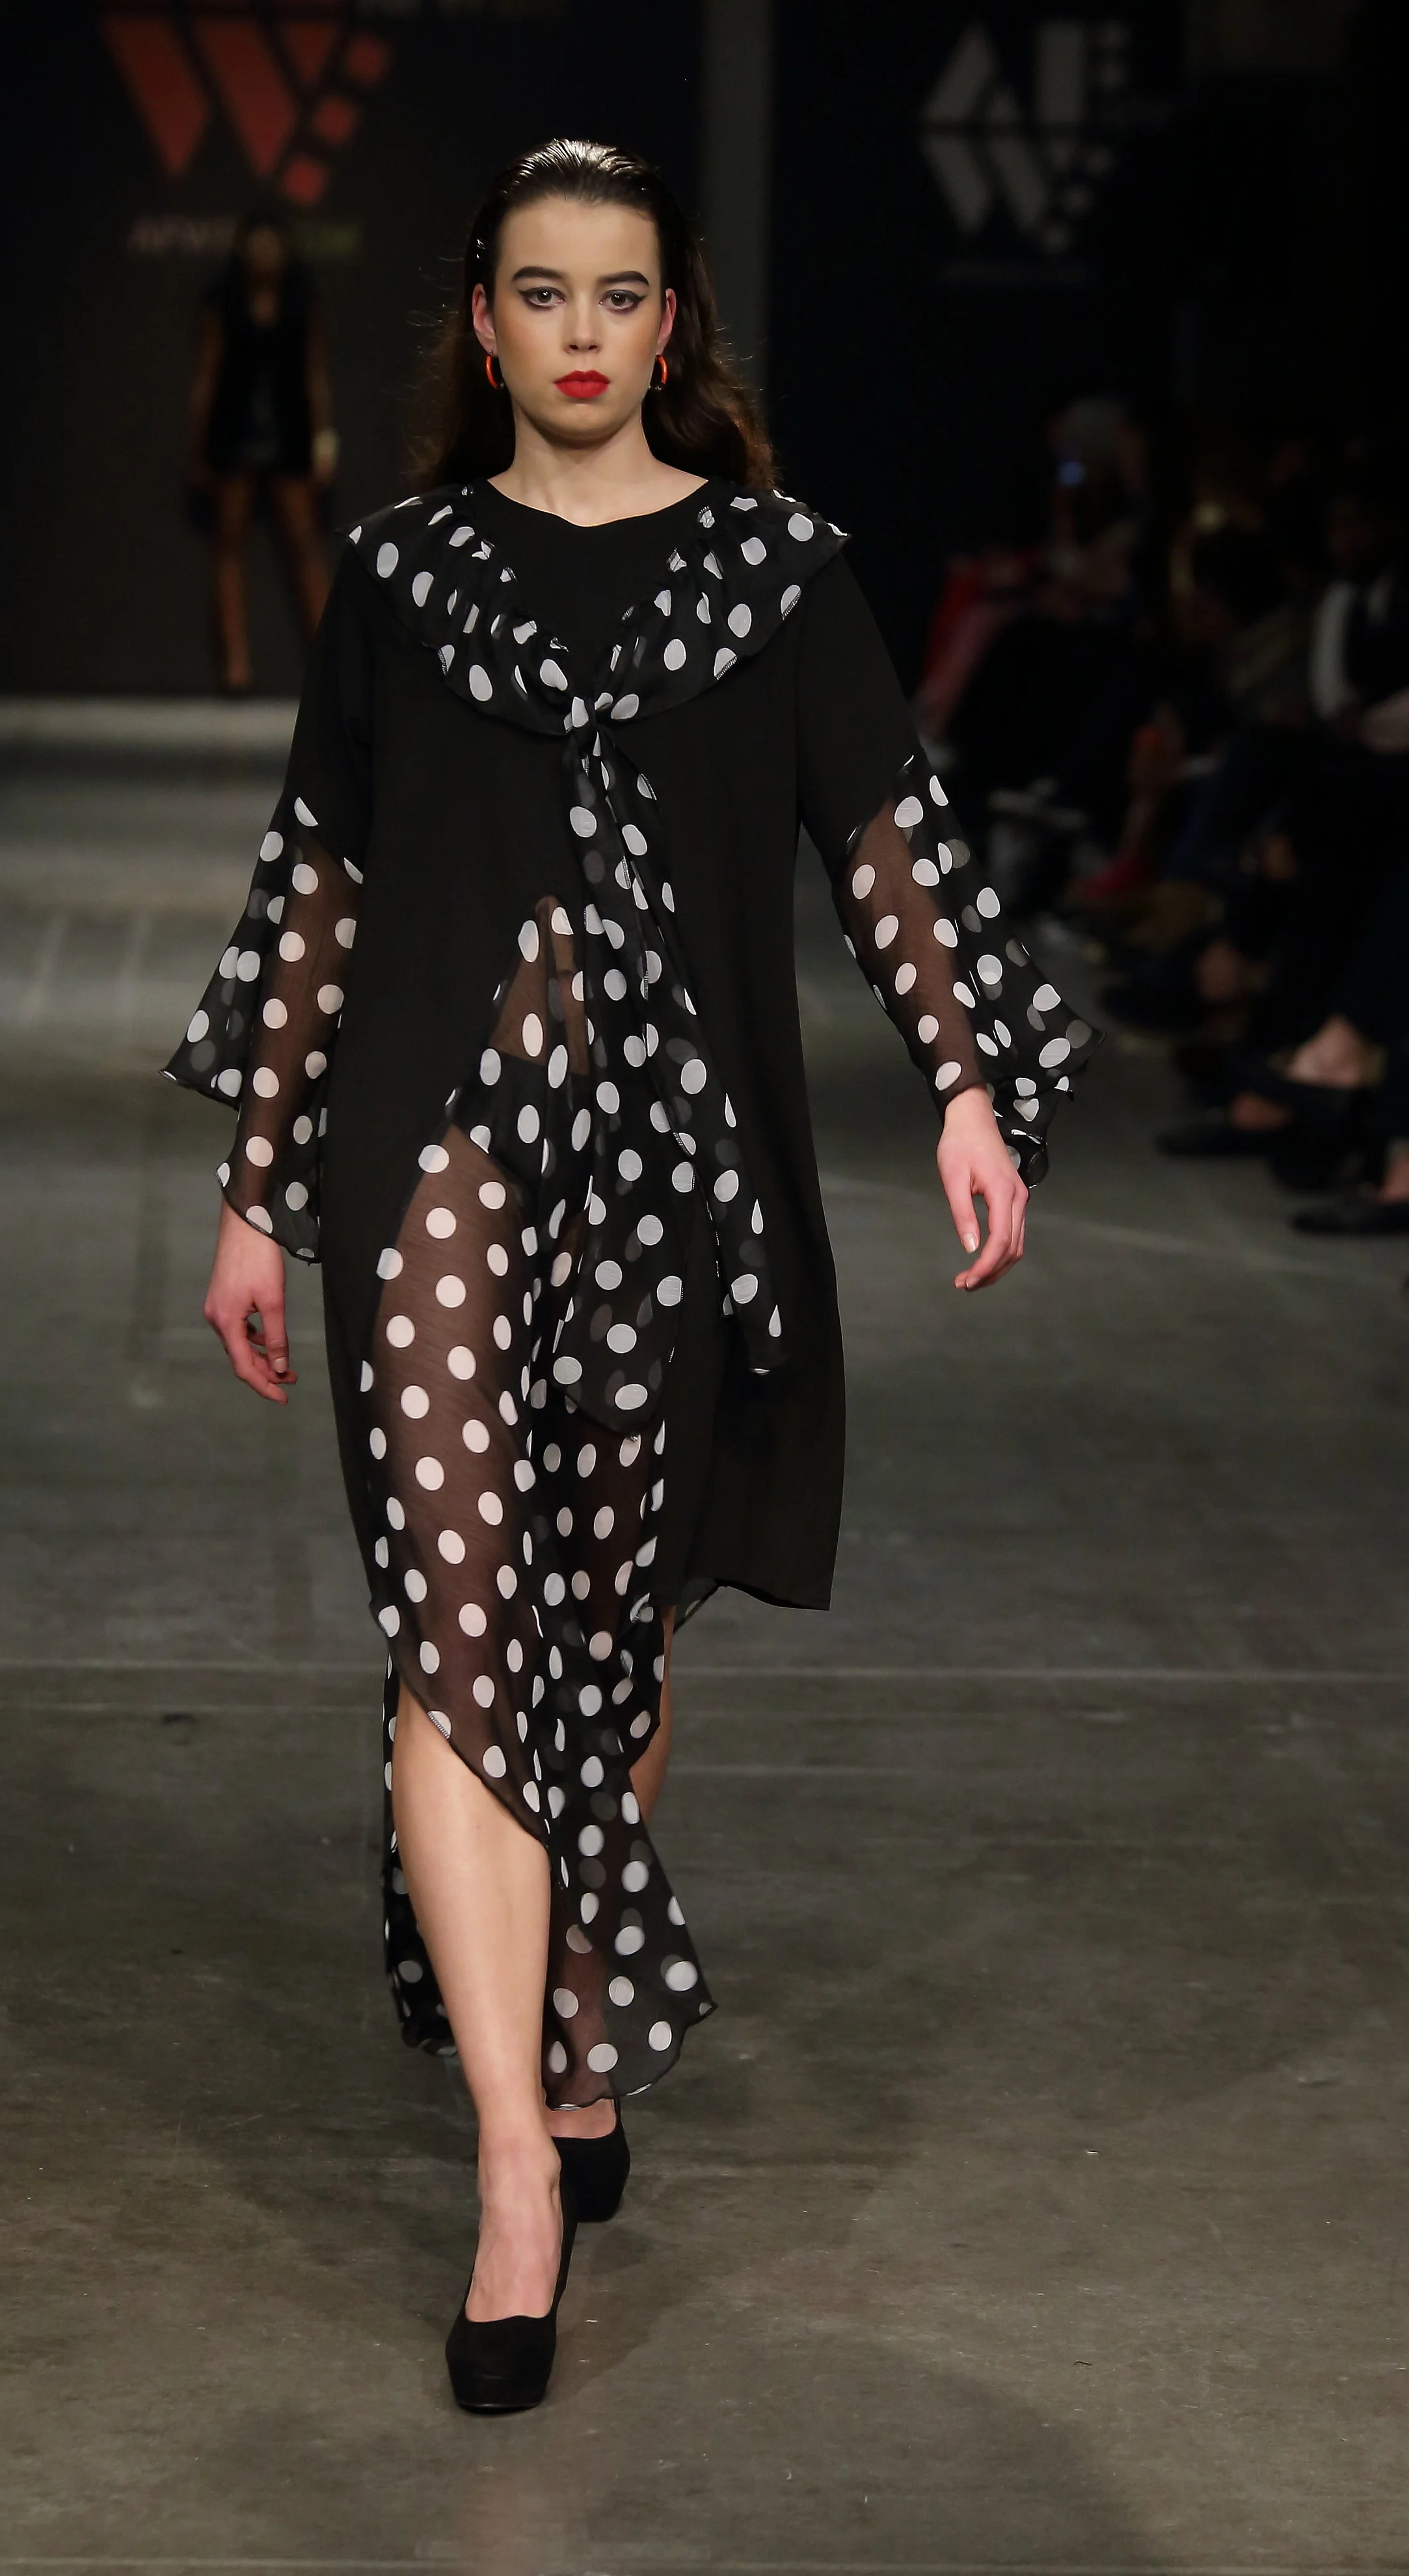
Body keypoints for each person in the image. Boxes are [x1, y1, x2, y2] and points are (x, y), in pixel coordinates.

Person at [165, 140, 1097, 2413]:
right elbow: (322, 881)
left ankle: (570, 2008)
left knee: (606, 1625)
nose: (578, 332)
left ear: (669, 326)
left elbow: (889, 835)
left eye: (618, 295)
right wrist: (260, 1189)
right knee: (457, 1621)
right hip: (432, 1158)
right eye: (539, 293)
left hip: (679, 1181)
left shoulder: (774, 577)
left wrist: (969, 1083)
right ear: (481, 323)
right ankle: (513, 2158)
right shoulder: (401, 575)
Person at [189, 212, 338, 693]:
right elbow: (208, 372)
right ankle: (235, 665)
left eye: (273, 246)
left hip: (289, 432)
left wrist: (324, 439)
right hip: (234, 432)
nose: (265, 256)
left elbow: (315, 375)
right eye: (257, 246)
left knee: (305, 547)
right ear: (242, 251)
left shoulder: (301, 302)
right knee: (229, 547)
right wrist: (199, 445)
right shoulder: (223, 302)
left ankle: (330, 663)